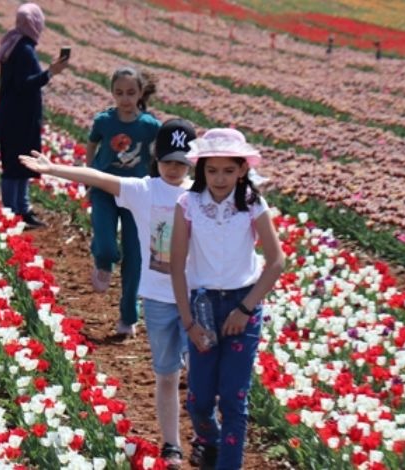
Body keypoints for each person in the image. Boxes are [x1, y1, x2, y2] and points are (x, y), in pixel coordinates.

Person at [20, 118, 196, 469]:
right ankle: (171, 444)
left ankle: (206, 434)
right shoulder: (145, 190)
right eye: (168, 161)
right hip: (159, 297)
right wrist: (52, 168)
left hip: (197, 297)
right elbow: (99, 179)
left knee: (202, 374)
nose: (174, 168)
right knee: (166, 374)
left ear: (192, 162)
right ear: (156, 159)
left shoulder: (200, 193)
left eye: (181, 161)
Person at [169, 128, 284, 470]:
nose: (220, 178)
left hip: (241, 307)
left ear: (242, 170)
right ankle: (209, 441)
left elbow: (276, 261)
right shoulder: (188, 204)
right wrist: (188, 321)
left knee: (234, 400)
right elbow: (177, 264)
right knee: (199, 400)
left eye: (228, 170)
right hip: (202, 306)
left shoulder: (252, 205)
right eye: (212, 170)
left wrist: (245, 309)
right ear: (200, 169)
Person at [86, 66, 160, 337]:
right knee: (106, 245)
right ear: (112, 94)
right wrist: (90, 175)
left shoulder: (150, 126)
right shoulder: (104, 122)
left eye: (131, 93)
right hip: (105, 189)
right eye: (119, 93)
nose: (125, 99)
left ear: (140, 93)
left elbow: (160, 154)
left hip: (137, 193)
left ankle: (128, 317)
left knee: (135, 256)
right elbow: (92, 145)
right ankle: (104, 262)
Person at [0, 3, 68, 228]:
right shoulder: (23, 49)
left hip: (12, 115)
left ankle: (19, 210)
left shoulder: (14, 42)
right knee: (17, 166)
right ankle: (14, 212)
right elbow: (25, 85)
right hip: (19, 118)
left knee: (19, 165)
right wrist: (50, 73)